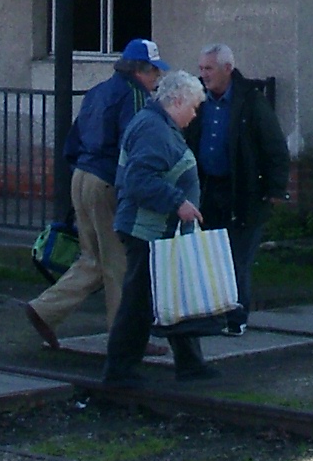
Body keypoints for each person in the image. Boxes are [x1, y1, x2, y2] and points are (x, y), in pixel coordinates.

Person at [23, 38, 166, 351]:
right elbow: (135, 145)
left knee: (93, 258)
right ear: (140, 70)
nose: (157, 78)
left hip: (83, 175)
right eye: (154, 71)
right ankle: (126, 340)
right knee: (119, 263)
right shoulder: (135, 96)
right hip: (107, 180)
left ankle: (46, 309)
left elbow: (73, 139)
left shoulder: (99, 91)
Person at [103, 68, 216, 386]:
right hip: (147, 230)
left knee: (173, 295)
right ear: (177, 100)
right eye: (193, 107)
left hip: (159, 230)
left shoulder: (155, 124)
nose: (194, 115)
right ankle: (119, 371)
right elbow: (138, 180)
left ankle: (189, 364)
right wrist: (178, 202)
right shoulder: (154, 130)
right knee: (139, 302)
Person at [185, 43, 290, 332]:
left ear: (227, 69)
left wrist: (275, 188)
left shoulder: (251, 101)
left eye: (209, 68)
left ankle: (235, 317)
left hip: (243, 191)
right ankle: (211, 313)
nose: (204, 75)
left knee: (237, 258)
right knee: (208, 254)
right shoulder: (199, 100)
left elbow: (274, 146)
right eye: (201, 68)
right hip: (207, 188)